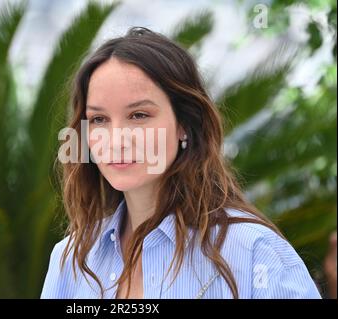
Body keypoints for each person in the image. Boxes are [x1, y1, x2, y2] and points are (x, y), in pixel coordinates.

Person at [40, 27, 321, 299]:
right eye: (99, 119)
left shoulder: (254, 252)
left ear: (184, 124)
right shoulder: (71, 258)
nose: (116, 140)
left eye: (138, 115)